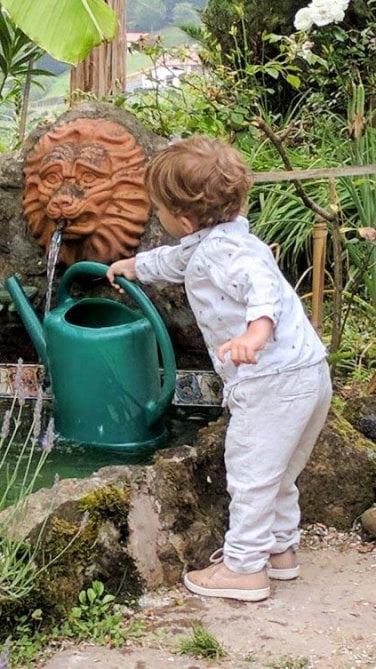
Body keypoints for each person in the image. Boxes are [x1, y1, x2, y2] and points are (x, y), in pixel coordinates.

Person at [107, 136, 331, 602]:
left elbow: (261, 288)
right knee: (278, 472)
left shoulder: (234, 255)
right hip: (306, 374)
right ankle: (279, 550)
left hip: (271, 381)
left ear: (183, 218)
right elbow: (176, 259)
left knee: (250, 472)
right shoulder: (223, 239)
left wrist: (255, 333)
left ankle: (244, 569)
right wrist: (135, 266)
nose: (158, 217)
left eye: (159, 210)